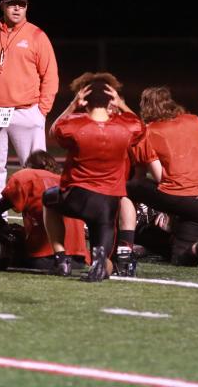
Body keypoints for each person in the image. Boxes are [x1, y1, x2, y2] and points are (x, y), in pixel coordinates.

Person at [43, 72, 143, 281]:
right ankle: (100, 262)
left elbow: (54, 131)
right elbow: (141, 128)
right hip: (107, 204)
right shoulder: (125, 127)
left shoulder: (75, 125)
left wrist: (73, 104)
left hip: (77, 197)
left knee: (48, 199)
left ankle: (61, 257)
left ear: (84, 101)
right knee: (105, 260)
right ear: (111, 102)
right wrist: (122, 105)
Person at [0, 0, 59, 209]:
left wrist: (42, 111)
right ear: (2, 6)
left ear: (27, 7)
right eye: (12, 4)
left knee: (35, 169)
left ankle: (39, 215)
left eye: (21, 4)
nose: (16, 8)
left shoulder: (37, 36)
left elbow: (50, 75)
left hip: (25, 111)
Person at [128, 86, 198, 269]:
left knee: (128, 187)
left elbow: (153, 178)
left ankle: (124, 241)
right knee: (181, 257)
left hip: (180, 196)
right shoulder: (194, 121)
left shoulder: (148, 132)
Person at [0, 150, 89, 270]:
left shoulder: (27, 176)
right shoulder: (66, 181)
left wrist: (7, 230)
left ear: (28, 166)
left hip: (44, 258)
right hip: (79, 260)